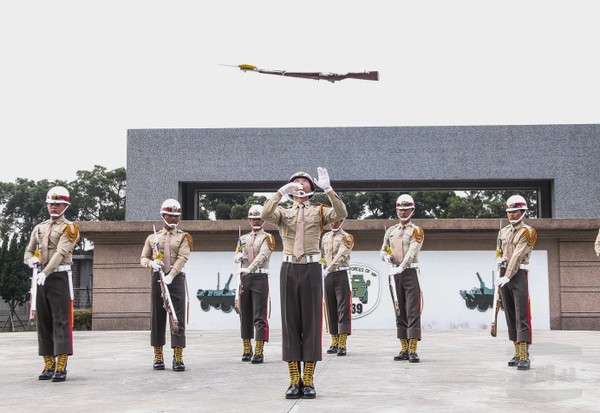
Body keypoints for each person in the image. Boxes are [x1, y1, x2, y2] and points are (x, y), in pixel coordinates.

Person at [261, 167, 347, 399]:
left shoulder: (319, 211)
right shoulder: (282, 212)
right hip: (289, 267)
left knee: (311, 323)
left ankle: (308, 380)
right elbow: (264, 214)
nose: (300, 183)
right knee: (290, 324)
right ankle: (293, 380)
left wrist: (328, 189)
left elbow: (341, 213)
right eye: (295, 181)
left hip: (310, 267)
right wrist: (280, 192)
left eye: (305, 181)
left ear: (311, 188)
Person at [23, 186, 80, 382]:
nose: (54, 206)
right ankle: (48, 363)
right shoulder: (40, 227)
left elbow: (61, 253)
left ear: (66, 205)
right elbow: (28, 251)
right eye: (51, 203)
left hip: (58, 277)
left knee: (61, 321)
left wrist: (46, 272)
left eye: (58, 203)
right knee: (44, 321)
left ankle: (61, 364)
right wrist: (31, 261)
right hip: (40, 278)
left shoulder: (70, 228)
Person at [140, 198, 193, 372]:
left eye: (176, 216)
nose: (173, 219)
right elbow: (143, 258)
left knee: (177, 317)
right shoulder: (152, 238)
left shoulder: (184, 237)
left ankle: (178, 356)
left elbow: (183, 257)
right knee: (158, 317)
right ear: (163, 216)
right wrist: (151, 264)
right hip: (158, 279)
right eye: (170, 216)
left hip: (175, 279)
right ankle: (158, 355)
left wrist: (171, 275)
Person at [380, 194, 424, 363]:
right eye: (400, 209)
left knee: (413, 310)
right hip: (393, 274)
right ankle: (403, 348)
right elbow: (383, 250)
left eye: (406, 209)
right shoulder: (391, 231)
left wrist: (401, 267)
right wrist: (385, 257)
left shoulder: (416, 231)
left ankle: (413, 349)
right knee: (399, 309)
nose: (403, 212)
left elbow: (413, 251)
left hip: (409, 273)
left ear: (412, 211)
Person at [495, 194, 537, 370]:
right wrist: (499, 260)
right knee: (510, 315)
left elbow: (518, 256)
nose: (511, 215)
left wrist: (508, 274)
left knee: (522, 315)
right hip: (504, 274)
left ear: (523, 211)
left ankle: (524, 355)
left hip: (518, 274)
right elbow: (499, 251)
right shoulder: (503, 231)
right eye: (509, 212)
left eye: (515, 211)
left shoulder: (528, 232)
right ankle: (516, 352)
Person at [233, 204, 275, 364]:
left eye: (258, 219)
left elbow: (263, 256)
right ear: (249, 220)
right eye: (253, 219)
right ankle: (246, 347)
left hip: (259, 277)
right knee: (244, 314)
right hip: (244, 277)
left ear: (263, 220)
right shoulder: (243, 239)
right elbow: (237, 253)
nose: (255, 222)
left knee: (259, 314)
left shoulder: (267, 238)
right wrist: (237, 257)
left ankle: (259, 349)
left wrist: (249, 268)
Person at [321, 219, 354, 356]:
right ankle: (334, 341)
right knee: (330, 307)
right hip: (328, 275)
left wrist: (329, 268)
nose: (333, 223)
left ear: (342, 221)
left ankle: (342, 342)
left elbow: (341, 255)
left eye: (337, 221)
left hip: (341, 273)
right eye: (331, 221)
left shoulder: (347, 237)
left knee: (343, 307)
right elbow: (323, 254)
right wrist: (322, 265)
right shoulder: (325, 236)